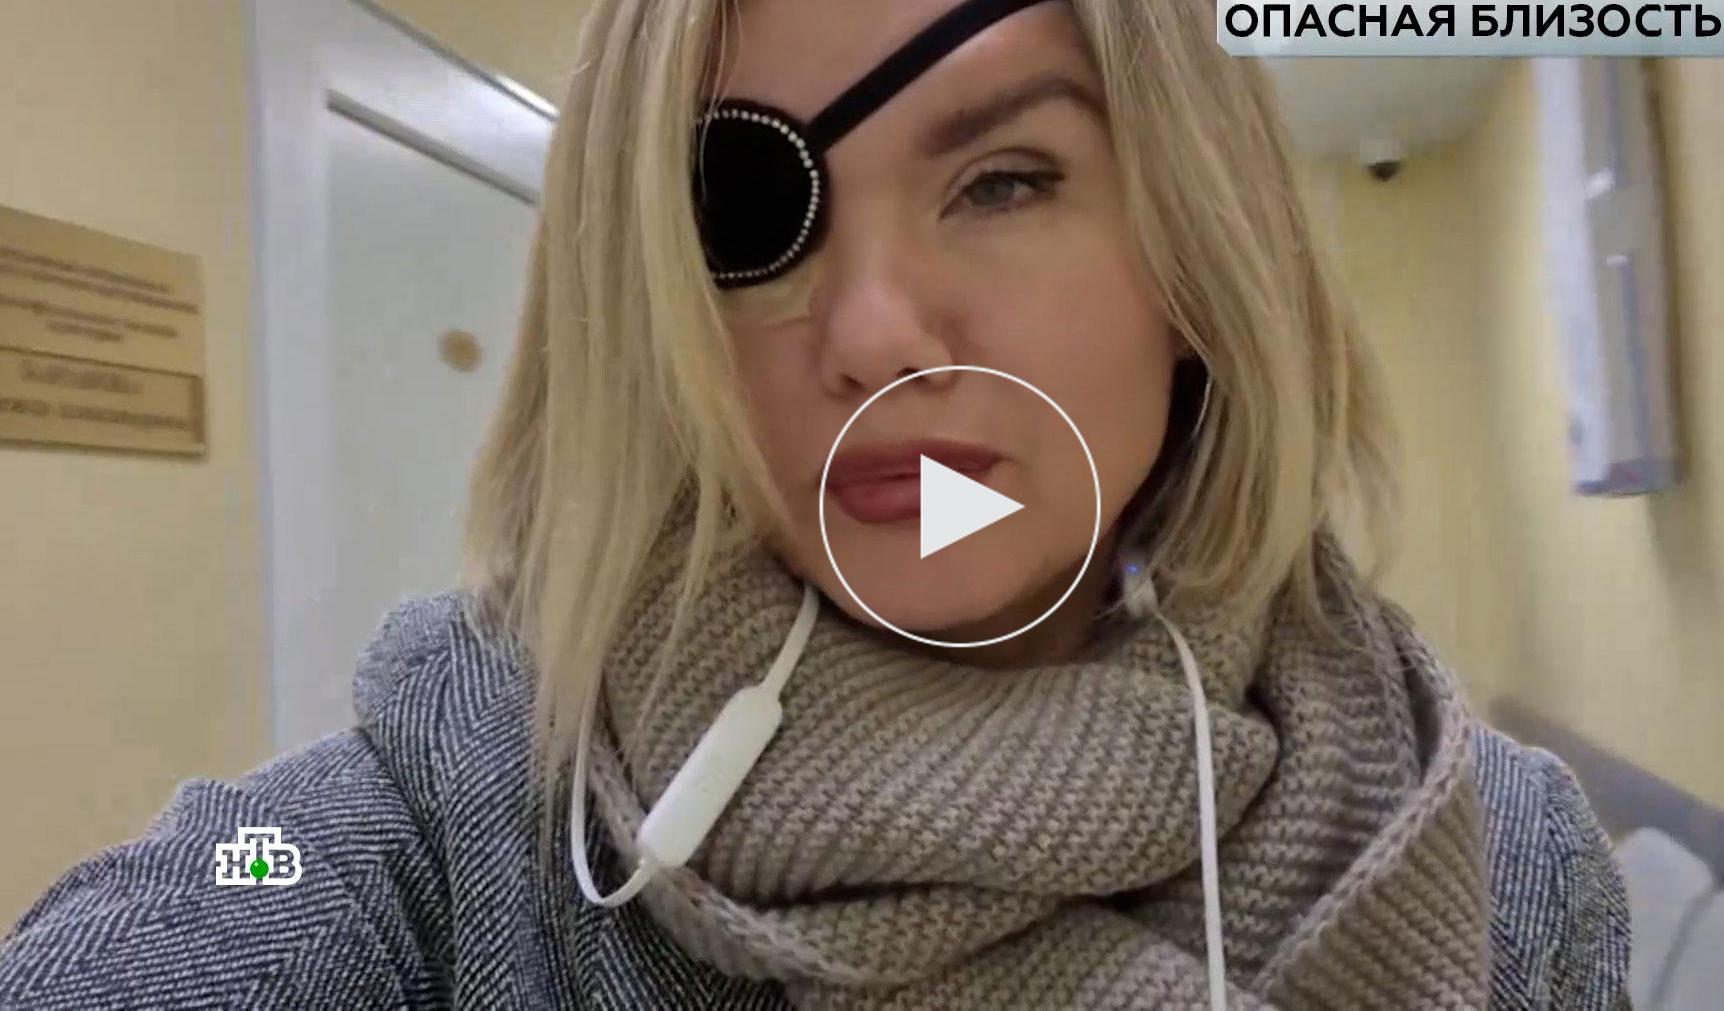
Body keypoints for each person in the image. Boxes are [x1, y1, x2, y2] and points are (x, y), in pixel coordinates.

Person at [0, 0, 1631, 1007]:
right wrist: (256, 867)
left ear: (1199, 261)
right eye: (744, 229)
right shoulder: (449, 818)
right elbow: (253, 882)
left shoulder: (1504, 859)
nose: (870, 336)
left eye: (1004, 181)